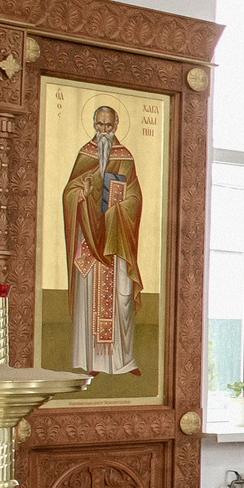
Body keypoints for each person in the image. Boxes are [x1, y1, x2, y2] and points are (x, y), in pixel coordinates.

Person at [60, 104, 143, 375]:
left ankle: (122, 362)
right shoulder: (85, 153)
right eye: (100, 125)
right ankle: (91, 361)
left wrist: (120, 209)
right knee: (90, 299)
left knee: (121, 297)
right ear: (94, 124)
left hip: (116, 240)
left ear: (116, 126)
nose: (103, 131)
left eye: (108, 125)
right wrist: (80, 194)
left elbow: (135, 197)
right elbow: (69, 192)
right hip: (88, 242)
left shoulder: (125, 157)